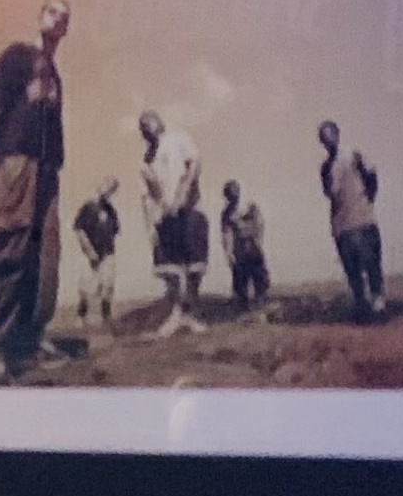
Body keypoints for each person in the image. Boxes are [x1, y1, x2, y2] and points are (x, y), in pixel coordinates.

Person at [0, 1, 70, 383]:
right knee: (9, 249)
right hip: (16, 163)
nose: (58, 18)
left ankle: (29, 342)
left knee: (44, 258)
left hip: (47, 170)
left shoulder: (55, 75)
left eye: (64, 16)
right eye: (52, 11)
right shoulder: (17, 56)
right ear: (40, 17)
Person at [137, 109, 208, 338]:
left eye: (148, 123)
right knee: (171, 269)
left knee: (194, 265)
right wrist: (152, 222)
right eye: (142, 127)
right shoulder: (147, 158)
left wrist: (182, 194)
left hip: (190, 209)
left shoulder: (179, 138)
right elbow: (149, 194)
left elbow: (194, 164)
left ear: (159, 122)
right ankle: (176, 313)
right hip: (165, 218)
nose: (146, 128)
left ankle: (192, 312)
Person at [319, 119, 387, 323]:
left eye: (330, 135)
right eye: (324, 138)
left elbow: (372, 175)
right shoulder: (325, 168)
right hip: (342, 226)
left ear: (338, 134)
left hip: (363, 220)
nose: (328, 140)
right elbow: (329, 193)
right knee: (352, 270)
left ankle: (378, 305)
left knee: (371, 264)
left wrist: (368, 200)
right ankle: (362, 308)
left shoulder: (354, 156)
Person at [69, 177, 122, 325]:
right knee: (86, 287)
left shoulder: (111, 211)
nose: (109, 190)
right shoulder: (88, 207)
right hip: (90, 253)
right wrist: (89, 251)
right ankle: (81, 315)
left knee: (108, 285)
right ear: (101, 185)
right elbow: (79, 229)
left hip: (107, 253)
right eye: (107, 185)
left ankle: (106, 315)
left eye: (113, 188)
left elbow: (115, 231)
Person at [220, 179, 271, 307]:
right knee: (240, 278)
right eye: (229, 195)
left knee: (259, 276)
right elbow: (226, 233)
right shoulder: (227, 213)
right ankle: (243, 304)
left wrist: (257, 240)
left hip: (253, 246)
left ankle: (261, 301)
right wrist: (229, 252)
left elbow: (259, 225)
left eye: (233, 193)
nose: (232, 197)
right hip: (239, 249)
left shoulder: (250, 207)